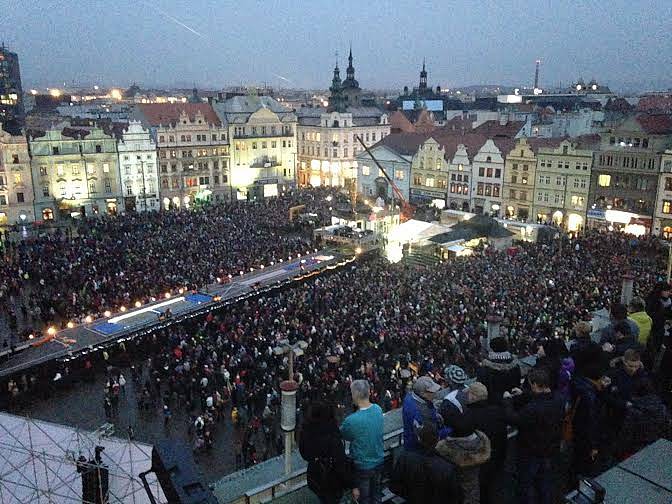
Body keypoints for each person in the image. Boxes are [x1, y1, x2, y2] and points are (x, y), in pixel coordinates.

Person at [504, 367, 564, 504]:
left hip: (531, 451)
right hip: (550, 448)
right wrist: (525, 393)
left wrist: (507, 401)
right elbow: (543, 396)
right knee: (545, 483)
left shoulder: (532, 409)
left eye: (531, 385)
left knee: (527, 484)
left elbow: (513, 419)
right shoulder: (559, 399)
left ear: (535, 385)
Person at [390, 423, 461, 504]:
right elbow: (455, 497)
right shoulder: (447, 468)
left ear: (419, 439)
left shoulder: (404, 459)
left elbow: (394, 487)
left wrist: (412, 496)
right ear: (438, 439)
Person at [340, 380, 384, 504]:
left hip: (362, 466)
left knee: (364, 499)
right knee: (376, 496)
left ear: (354, 395)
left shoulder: (351, 420)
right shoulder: (378, 409)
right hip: (379, 461)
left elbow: (344, 434)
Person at [299, 401, 351, 504]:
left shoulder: (306, 432)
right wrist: (350, 483)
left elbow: (305, 454)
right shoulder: (333, 436)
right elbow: (340, 463)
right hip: (333, 481)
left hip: (316, 478)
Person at [466, 382, 508, 504]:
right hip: (498, 456)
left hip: (481, 460)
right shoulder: (497, 410)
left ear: (473, 396)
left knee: (483, 490)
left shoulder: (469, 415)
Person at [435, 412, 491, 504]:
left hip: (453, 486)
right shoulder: (481, 444)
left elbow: (438, 448)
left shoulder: (448, 449)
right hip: (473, 483)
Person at [402, 375, 445, 451]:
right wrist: (449, 431)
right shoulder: (419, 414)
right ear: (423, 394)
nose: (435, 393)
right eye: (432, 392)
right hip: (419, 449)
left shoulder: (410, 396)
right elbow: (428, 438)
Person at [476, 337, 521, 404]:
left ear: (492, 348)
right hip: (513, 401)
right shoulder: (515, 365)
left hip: (493, 404)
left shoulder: (485, 368)